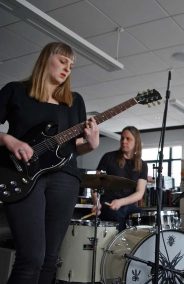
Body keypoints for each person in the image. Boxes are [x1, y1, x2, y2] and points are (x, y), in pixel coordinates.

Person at [0, 42, 100, 284]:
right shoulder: (15, 91)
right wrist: (9, 140)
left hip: (65, 179)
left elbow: (74, 147)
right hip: (22, 175)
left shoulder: (74, 102)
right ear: (47, 58)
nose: (67, 69)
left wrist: (92, 144)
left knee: (50, 259)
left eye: (71, 66)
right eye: (63, 61)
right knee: (32, 257)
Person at [92, 126, 148, 232]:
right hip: (108, 205)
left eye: (128, 139)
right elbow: (95, 185)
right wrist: (96, 203)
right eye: (122, 138)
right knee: (116, 215)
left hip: (128, 205)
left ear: (136, 142)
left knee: (143, 218)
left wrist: (120, 202)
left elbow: (139, 193)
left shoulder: (142, 165)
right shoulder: (108, 157)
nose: (123, 141)